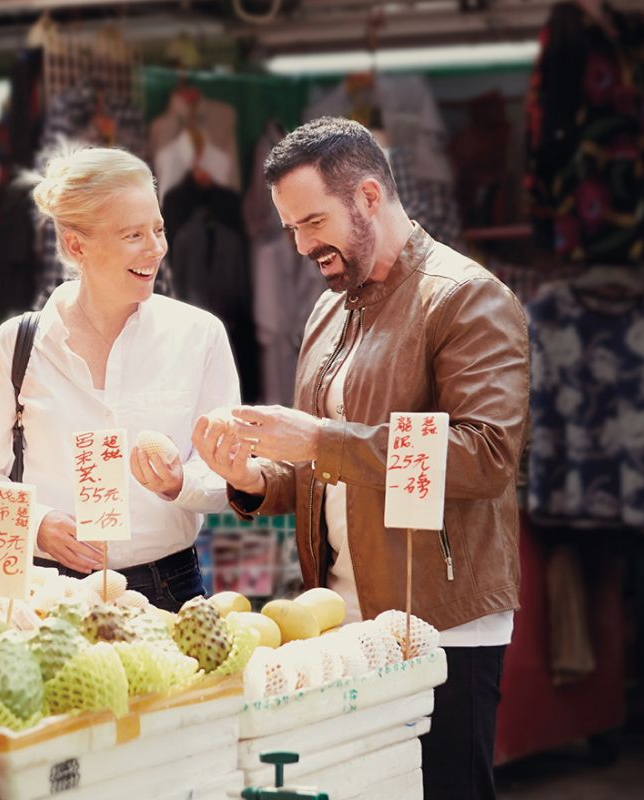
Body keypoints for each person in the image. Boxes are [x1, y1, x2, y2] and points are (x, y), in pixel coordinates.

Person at [192, 117, 529, 800]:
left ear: (370, 196)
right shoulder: (328, 310)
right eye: (290, 229)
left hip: (445, 617)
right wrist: (255, 478)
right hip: (341, 616)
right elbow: (332, 471)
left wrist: (317, 440)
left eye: (313, 221)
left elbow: (486, 456)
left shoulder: (466, 297)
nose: (302, 245)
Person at [0, 144, 240, 612]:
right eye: (133, 234)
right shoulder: (18, 344)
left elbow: (229, 473)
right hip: (48, 591)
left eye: (158, 228)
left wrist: (180, 484)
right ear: (76, 245)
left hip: (168, 588)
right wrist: (36, 524)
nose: (156, 249)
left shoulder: (199, 336)